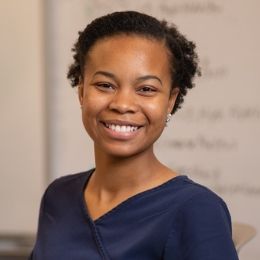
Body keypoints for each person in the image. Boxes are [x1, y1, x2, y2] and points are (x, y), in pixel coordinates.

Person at [30, 11, 239, 260]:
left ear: (170, 101)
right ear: (82, 92)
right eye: (105, 85)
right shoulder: (58, 195)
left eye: (146, 89)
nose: (123, 104)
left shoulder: (196, 210)